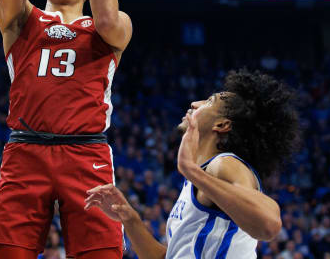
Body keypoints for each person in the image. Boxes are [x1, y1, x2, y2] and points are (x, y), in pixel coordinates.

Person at [0, 0, 132, 259]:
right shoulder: (22, 21)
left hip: (86, 155)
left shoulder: (112, 28)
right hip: (25, 153)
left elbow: (105, 15)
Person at [85, 69, 300, 258]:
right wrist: (129, 217)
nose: (195, 103)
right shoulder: (202, 179)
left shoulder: (224, 165)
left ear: (222, 124)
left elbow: (269, 225)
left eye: (208, 102)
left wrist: (191, 170)